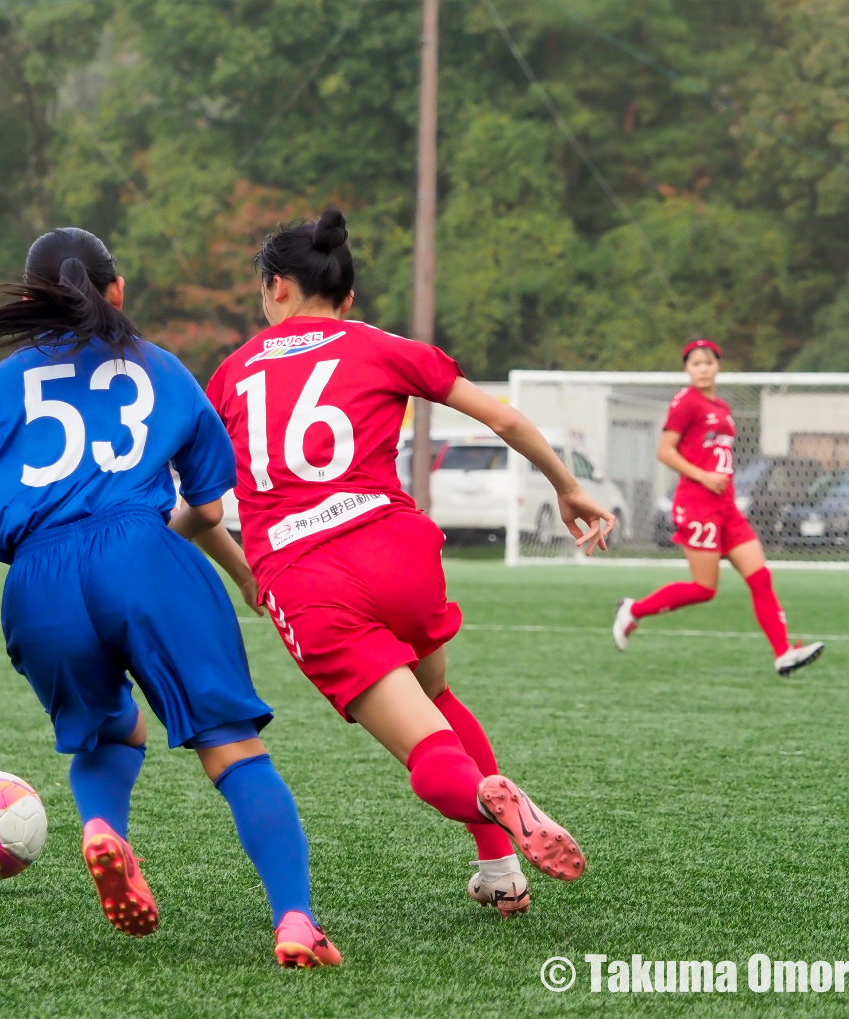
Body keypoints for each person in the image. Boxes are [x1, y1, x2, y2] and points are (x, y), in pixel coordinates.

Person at [0, 228, 341, 968]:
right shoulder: (167, 372)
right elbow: (207, 512)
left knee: (110, 732)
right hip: (143, 553)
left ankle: (103, 826)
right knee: (233, 749)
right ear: (116, 292)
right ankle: (297, 920)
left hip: (37, 582)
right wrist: (243, 577)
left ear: (27, 301)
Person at [201, 208, 614, 918]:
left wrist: (240, 571)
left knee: (427, 751)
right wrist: (566, 486)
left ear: (274, 287)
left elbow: (199, 509)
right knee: (439, 697)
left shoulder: (232, 374)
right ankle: (500, 867)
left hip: (308, 575)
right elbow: (505, 418)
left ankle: (488, 795)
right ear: (348, 297)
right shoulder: (379, 344)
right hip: (397, 547)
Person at [613, 339, 825, 674]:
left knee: (760, 577)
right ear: (686, 369)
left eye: (708, 362)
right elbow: (665, 451)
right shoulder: (686, 401)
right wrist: (704, 477)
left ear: (717, 366)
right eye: (695, 363)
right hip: (698, 504)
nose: (702, 368)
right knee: (704, 588)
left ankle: (783, 652)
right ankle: (633, 610)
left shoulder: (723, 408)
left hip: (726, 507)